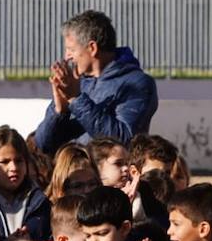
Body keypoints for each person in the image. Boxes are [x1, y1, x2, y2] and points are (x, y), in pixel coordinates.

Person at [34, 10, 158, 155]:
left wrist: (77, 99)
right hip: (73, 175)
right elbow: (43, 145)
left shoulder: (137, 83)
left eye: (71, 49)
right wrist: (59, 112)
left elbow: (124, 141)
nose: (66, 57)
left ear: (92, 48)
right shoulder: (76, 82)